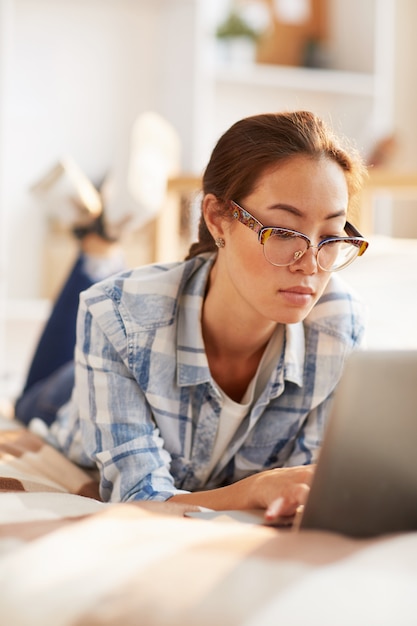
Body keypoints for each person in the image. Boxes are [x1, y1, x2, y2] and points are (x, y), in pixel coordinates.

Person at [15, 111, 369, 523]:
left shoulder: (338, 328)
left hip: (146, 328)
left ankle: (104, 231)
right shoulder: (117, 314)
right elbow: (137, 495)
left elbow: (301, 485)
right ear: (217, 218)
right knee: (40, 385)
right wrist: (255, 489)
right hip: (65, 401)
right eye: (284, 232)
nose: (310, 265)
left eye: (330, 237)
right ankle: (100, 240)